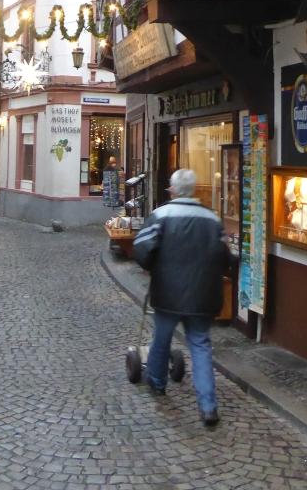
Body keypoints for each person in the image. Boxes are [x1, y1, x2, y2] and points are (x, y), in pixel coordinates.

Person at [133, 168, 232, 427]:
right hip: (203, 295)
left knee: (161, 340)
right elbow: (226, 256)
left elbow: (142, 248)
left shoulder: (160, 216)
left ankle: (156, 382)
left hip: (168, 292)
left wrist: (150, 265)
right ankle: (208, 407)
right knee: (200, 346)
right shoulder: (212, 219)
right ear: (194, 190)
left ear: (174, 190)